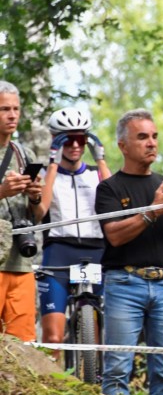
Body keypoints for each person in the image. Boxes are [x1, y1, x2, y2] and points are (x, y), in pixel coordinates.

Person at [94, 109, 163, 395]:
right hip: (125, 283)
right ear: (123, 146)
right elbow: (114, 236)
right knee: (117, 367)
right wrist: (154, 210)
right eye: (142, 137)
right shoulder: (109, 188)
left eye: (154, 137)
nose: (151, 143)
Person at [37, 108, 112, 352]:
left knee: (97, 337)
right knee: (54, 339)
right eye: (67, 140)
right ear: (56, 141)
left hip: (96, 251)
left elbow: (114, 198)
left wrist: (100, 158)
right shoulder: (44, 175)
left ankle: (94, 380)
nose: (75, 146)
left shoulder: (94, 174)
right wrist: (52, 164)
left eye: (81, 140)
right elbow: (40, 212)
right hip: (59, 251)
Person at [0, 80, 42, 342]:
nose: (12, 115)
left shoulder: (23, 153)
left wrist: (35, 198)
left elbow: (39, 215)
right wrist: (2, 191)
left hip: (21, 261)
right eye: (4, 109)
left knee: (23, 347)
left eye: (16, 108)